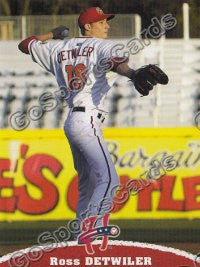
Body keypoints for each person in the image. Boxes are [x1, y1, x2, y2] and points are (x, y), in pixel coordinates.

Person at [18, 7, 168, 239]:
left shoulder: (58, 47)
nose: (106, 25)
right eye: (100, 22)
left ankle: (79, 235)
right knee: (109, 179)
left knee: (87, 184)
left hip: (71, 121)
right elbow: (116, 63)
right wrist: (133, 74)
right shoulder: (102, 46)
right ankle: (91, 228)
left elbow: (26, 44)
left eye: (106, 21)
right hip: (87, 119)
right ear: (87, 26)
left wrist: (53, 34)